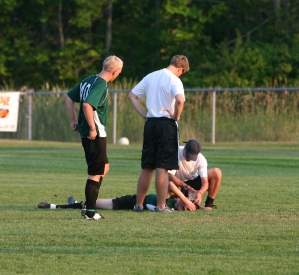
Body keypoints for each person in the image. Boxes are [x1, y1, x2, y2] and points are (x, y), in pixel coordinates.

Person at [128, 55, 189, 213]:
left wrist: (143, 114)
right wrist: (176, 116)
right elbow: (180, 100)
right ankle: (161, 206)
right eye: (182, 72)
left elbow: (132, 96)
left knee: (147, 166)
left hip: (150, 124)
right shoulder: (174, 80)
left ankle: (138, 204)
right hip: (166, 125)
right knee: (162, 167)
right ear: (181, 69)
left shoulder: (151, 76)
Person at [65, 55, 123, 220]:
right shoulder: (101, 84)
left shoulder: (89, 80)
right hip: (94, 133)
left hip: (88, 131)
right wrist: (92, 128)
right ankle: (90, 212)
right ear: (114, 71)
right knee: (95, 172)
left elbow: (69, 97)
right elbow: (87, 104)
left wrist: (73, 121)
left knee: (104, 167)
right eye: (119, 72)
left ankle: (90, 202)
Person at [37, 181, 199, 212]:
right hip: (132, 200)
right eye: (184, 203)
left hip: (131, 203)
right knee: (90, 203)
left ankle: (56, 206)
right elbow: (170, 184)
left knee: (90, 203)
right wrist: (186, 199)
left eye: (184, 207)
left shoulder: (169, 209)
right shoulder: (171, 199)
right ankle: (68, 205)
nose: (182, 206)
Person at [168, 139, 222, 210]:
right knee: (169, 183)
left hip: (193, 182)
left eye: (192, 157)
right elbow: (170, 175)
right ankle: (177, 202)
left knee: (216, 172)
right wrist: (187, 187)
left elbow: (205, 182)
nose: (189, 158)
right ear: (185, 148)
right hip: (178, 185)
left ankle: (209, 204)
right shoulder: (175, 153)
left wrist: (199, 193)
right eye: (188, 155)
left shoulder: (201, 159)